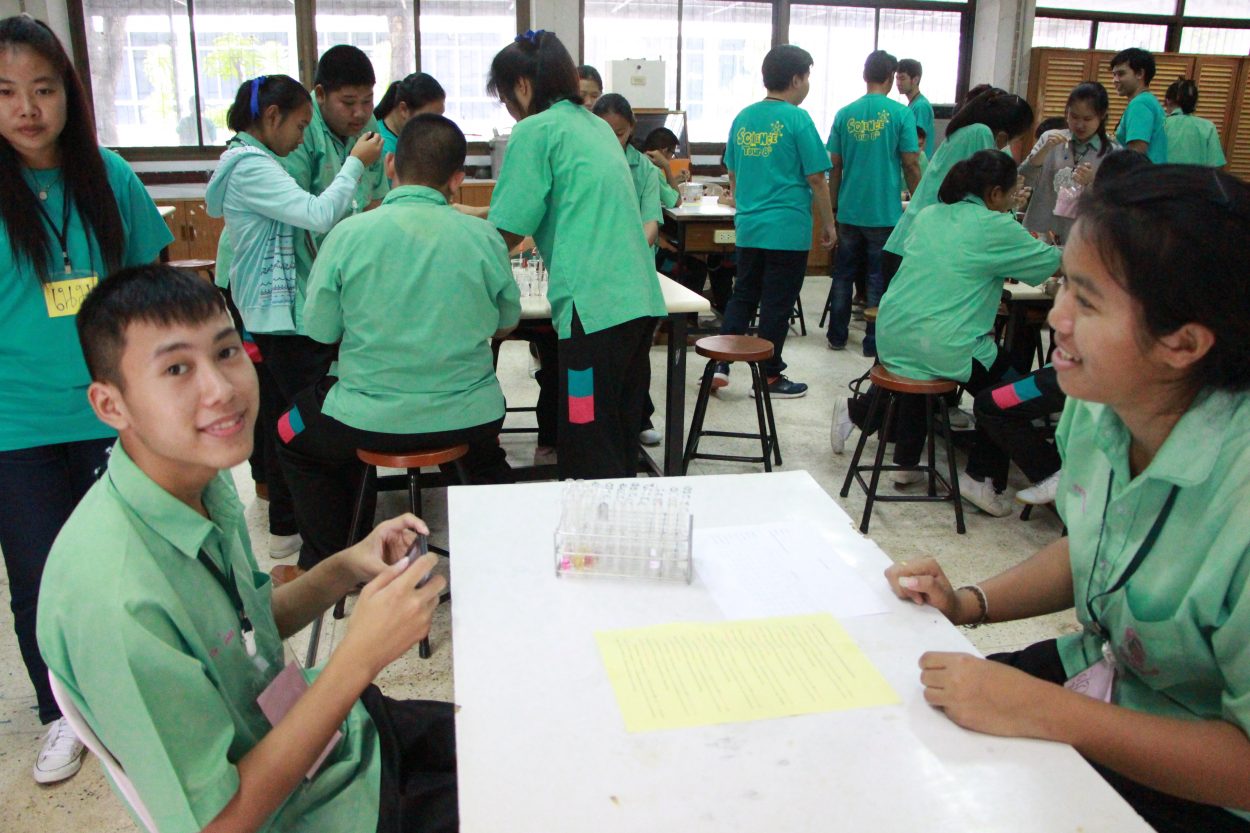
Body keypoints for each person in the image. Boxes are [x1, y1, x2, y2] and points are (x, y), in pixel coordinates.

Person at [883, 165, 1250, 833]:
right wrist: (967, 603)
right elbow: (1097, 546)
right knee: (901, 722)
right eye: (1063, 288)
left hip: (1205, 776)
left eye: (1087, 301)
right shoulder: (1103, 405)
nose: (1056, 318)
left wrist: (1042, 710)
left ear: (1184, 342)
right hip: (1108, 677)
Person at [38, 265, 457, 833]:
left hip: (337, 739)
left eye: (227, 351)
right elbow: (218, 824)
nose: (222, 389)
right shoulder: (114, 600)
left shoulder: (198, 484)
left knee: (529, 736)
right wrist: (359, 656)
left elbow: (244, 628)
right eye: (177, 368)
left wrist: (345, 566)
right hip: (318, 810)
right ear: (111, 405)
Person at [0, 13, 173, 785]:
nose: (27, 108)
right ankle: (61, 713)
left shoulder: (110, 177)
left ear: (69, 93)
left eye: (43, 88)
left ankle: (138, 695)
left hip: (113, 411)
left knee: (133, 565)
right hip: (17, 421)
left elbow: (149, 290)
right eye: (6, 92)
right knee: (42, 575)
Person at [277, 114, 517, 564]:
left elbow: (321, 331)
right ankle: (496, 559)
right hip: (470, 417)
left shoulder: (348, 235)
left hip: (366, 419)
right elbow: (505, 322)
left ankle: (332, 564)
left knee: (290, 432)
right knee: (482, 457)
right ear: (458, 179)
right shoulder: (484, 237)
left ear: (390, 165)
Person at [204, 74, 383, 573]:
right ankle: (324, 540)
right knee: (312, 421)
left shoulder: (256, 161)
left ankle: (294, 530)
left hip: (279, 315)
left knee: (290, 420)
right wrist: (355, 164)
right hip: (279, 320)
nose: (303, 138)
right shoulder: (250, 167)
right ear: (271, 117)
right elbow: (318, 214)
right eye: (300, 126)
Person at [831, 150, 1061, 517]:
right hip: (941, 344)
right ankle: (982, 477)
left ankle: (899, 454)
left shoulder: (930, 214)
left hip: (891, 335)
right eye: (1011, 193)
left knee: (929, 363)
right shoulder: (995, 225)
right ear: (995, 194)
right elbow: (1051, 262)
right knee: (1005, 394)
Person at [486, 30, 666, 479]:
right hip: (638, 305)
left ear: (522, 86)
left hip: (594, 316)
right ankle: (622, 516)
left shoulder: (535, 131)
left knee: (585, 431)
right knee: (619, 430)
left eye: (506, 99)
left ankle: (594, 521)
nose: (510, 109)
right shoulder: (597, 127)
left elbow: (507, 229)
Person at [712, 43, 836, 399]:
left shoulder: (744, 118)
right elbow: (817, 178)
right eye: (807, 77)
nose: (807, 84)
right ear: (796, 79)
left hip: (749, 228)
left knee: (743, 294)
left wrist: (745, 204)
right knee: (777, 303)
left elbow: (732, 173)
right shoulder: (798, 119)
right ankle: (768, 376)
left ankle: (720, 364)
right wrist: (829, 224)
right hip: (787, 229)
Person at [881, 88, 1034, 286]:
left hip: (912, 243)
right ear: (1005, 134)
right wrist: (1009, 203)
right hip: (917, 248)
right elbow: (988, 201)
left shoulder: (966, 131)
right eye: (1017, 138)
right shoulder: (980, 133)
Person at [825, 49, 921, 357]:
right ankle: (873, 341)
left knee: (843, 274)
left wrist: (834, 207)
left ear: (865, 75)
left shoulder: (845, 114)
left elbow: (835, 166)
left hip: (849, 210)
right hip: (884, 213)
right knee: (878, 277)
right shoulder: (901, 114)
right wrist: (921, 202)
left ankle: (837, 336)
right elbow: (911, 164)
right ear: (890, 77)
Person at [593, 92, 665, 448]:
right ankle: (574, 432)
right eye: (605, 133)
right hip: (590, 286)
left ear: (632, 129)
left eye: (620, 134)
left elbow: (651, 223)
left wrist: (623, 252)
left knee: (633, 362)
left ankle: (635, 423)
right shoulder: (583, 164)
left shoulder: (644, 170)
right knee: (583, 372)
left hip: (633, 283)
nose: (613, 141)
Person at [1020, 82, 1117, 243]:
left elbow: (1115, 204)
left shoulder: (1112, 152)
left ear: (1102, 116)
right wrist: (1043, 152)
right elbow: (1022, 180)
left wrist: (1092, 183)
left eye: (1087, 119)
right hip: (1040, 233)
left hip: (1083, 238)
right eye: (1074, 116)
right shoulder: (1049, 138)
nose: (1079, 125)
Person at [374, 72, 446, 183]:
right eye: (428, 119)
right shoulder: (380, 147)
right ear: (403, 109)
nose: (435, 127)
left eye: (439, 118)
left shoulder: (409, 140)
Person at [1110, 47, 1167, 163]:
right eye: (1114, 74)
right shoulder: (1150, 101)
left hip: (1141, 173)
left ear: (1140, 73)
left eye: (1121, 74)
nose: (1115, 80)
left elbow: (1136, 153)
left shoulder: (1140, 104)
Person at [1163, 78, 1225, 168]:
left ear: (1168, 100)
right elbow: (1215, 165)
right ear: (1194, 104)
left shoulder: (1161, 124)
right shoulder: (1208, 127)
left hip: (1164, 176)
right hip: (1199, 176)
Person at [895, 58, 934, 159]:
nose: (898, 83)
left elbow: (917, 141)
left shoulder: (920, 106)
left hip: (919, 163)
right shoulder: (914, 104)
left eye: (902, 78)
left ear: (915, 80)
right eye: (897, 78)